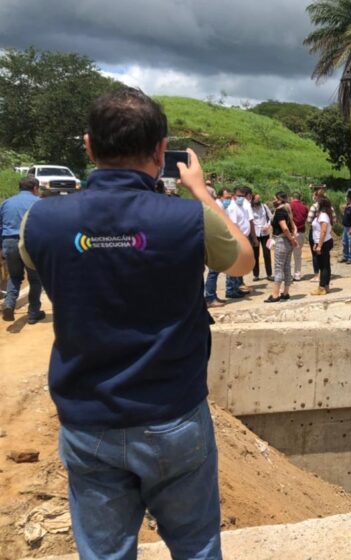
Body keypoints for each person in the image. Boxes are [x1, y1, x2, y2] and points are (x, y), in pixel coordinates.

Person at [19, 87, 254, 559]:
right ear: (162, 150)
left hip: (88, 422)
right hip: (173, 417)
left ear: (88, 146)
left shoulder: (40, 220)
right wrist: (201, 191)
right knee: (196, 546)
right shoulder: (189, 219)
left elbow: (44, 263)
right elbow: (244, 262)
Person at [1, 177, 44, 324]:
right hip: (30, 243)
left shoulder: (6, 203)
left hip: (9, 242)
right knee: (35, 279)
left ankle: (9, 305)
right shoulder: (38, 203)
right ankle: (33, 313)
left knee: (14, 277)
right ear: (35, 188)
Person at [266, 192, 298, 302]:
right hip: (287, 243)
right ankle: (286, 293)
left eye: (274, 198)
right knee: (287, 267)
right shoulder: (287, 210)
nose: (273, 200)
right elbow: (293, 226)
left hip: (281, 241)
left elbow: (284, 228)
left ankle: (275, 295)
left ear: (279, 200)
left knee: (279, 268)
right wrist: (293, 239)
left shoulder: (279, 211)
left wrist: (292, 239)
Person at [225, 186, 256, 298]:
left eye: (242, 196)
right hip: (236, 238)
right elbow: (233, 225)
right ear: (234, 196)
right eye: (239, 196)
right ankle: (230, 289)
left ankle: (237, 287)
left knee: (239, 264)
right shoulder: (233, 207)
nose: (241, 198)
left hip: (242, 238)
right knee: (234, 264)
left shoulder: (242, 206)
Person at [204, 188, 231, 307]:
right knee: (213, 271)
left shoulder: (220, 206)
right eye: (226, 198)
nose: (228, 200)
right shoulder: (215, 207)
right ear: (219, 196)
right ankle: (210, 298)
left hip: (217, 241)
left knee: (215, 271)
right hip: (213, 242)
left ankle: (212, 296)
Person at [305, 187, 334, 282]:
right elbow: (334, 220)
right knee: (326, 261)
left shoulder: (316, 208)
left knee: (318, 258)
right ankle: (324, 281)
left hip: (320, 236)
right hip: (327, 236)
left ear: (317, 196)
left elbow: (309, 221)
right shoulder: (330, 207)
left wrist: (318, 245)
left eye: (314, 194)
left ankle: (318, 276)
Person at [311, 197, 334, 296]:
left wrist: (319, 245)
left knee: (323, 266)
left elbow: (323, 231)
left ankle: (321, 287)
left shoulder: (323, 216)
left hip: (323, 242)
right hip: (322, 242)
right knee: (325, 265)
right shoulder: (323, 215)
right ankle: (326, 286)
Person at [251, 193, 274, 281]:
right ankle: (256, 275)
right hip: (255, 234)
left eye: (259, 199)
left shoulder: (264, 206)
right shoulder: (250, 208)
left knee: (267, 254)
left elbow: (271, 217)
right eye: (256, 199)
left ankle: (269, 274)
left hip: (265, 233)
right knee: (255, 255)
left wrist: (267, 226)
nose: (258, 200)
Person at [289, 191, 308, 280]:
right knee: (298, 255)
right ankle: (297, 275)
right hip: (301, 232)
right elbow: (306, 219)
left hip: (291, 233)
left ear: (292, 198)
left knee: (288, 255)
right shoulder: (305, 207)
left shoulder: (290, 206)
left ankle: (288, 274)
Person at [340, 189, 351, 264]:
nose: (346, 198)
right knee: (345, 242)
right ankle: (345, 256)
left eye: (347, 197)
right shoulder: (347, 205)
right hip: (345, 227)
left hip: (350, 227)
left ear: (349, 197)